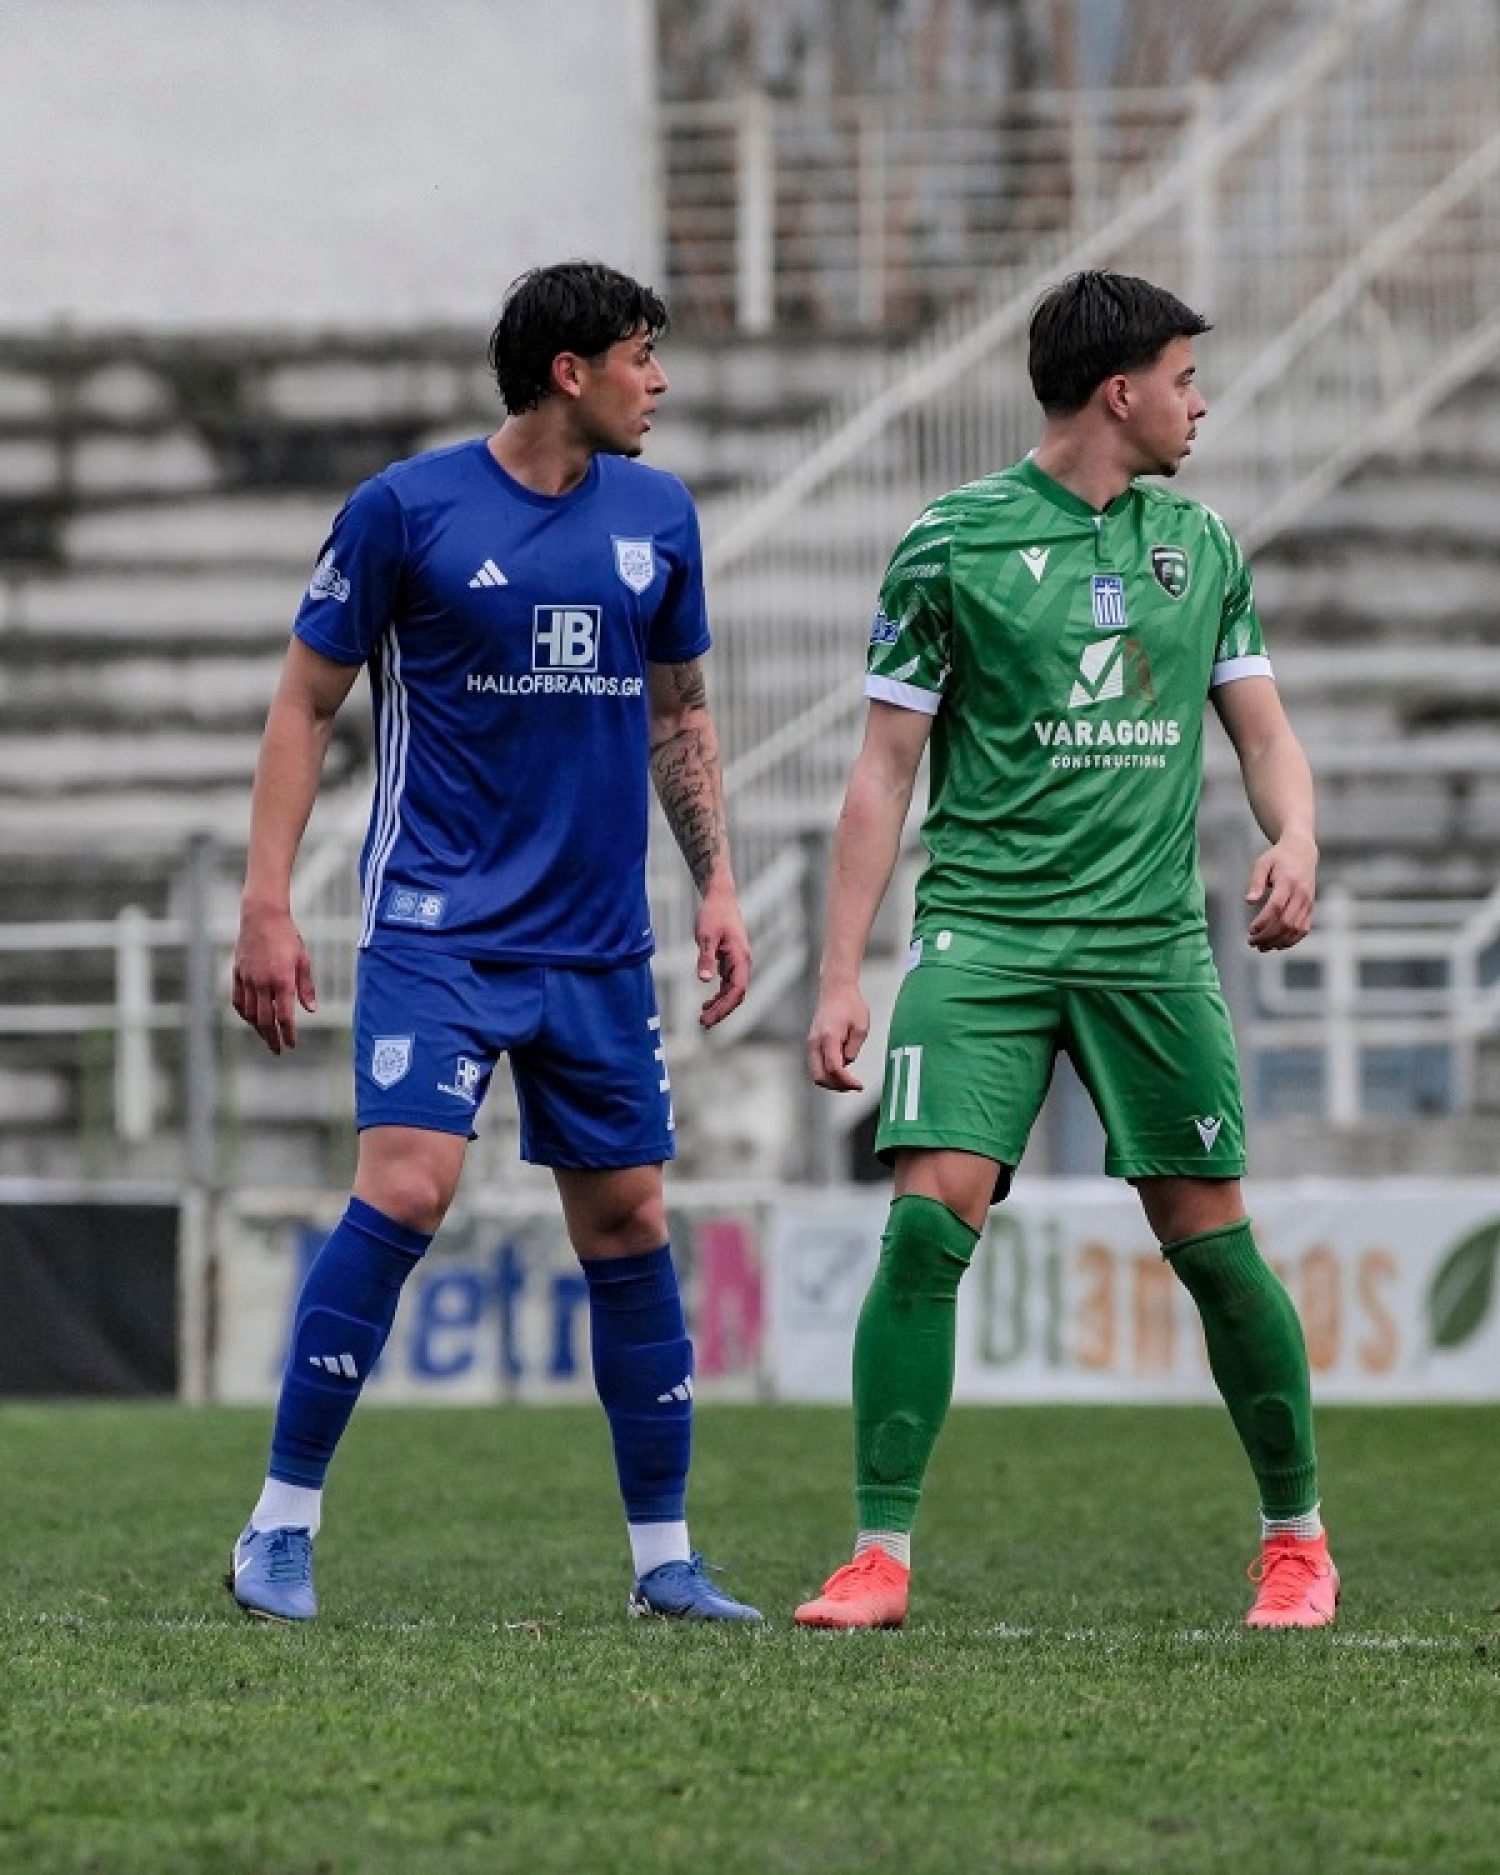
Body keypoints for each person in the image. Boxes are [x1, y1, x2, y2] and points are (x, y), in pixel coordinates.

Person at [795, 270, 1336, 1633]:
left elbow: (1265, 734)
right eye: (1185, 380)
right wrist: (843, 973)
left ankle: (1297, 1544)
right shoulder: (951, 543)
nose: (1199, 403)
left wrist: (1297, 836)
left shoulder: (1202, 546)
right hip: (984, 934)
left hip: (1150, 944)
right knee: (927, 1225)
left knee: (1212, 1244)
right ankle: (877, 1557)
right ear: (1119, 391)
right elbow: (882, 773)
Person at [227, 260, 761, 1625]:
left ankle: (664, 1562)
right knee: (408, 1190)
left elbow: (680, 713)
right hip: (438, 930)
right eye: (640, 355)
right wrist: (268, 900)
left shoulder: (659, 513)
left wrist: (716, 885)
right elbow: (305, 704)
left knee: (629, 1219)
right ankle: (278, 1527)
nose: (660, 381)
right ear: (570, 372)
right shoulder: (404, 510)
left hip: (597, 944)